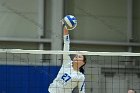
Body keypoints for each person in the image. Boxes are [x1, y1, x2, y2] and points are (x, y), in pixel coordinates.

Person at [48, 26, 86, 93]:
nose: (76, 57)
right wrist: (65, 26)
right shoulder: (67, 62)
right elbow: (66, 45)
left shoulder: (80, 76)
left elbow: (82, 91)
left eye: (79, 57)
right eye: (76, 56)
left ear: (83, 62)